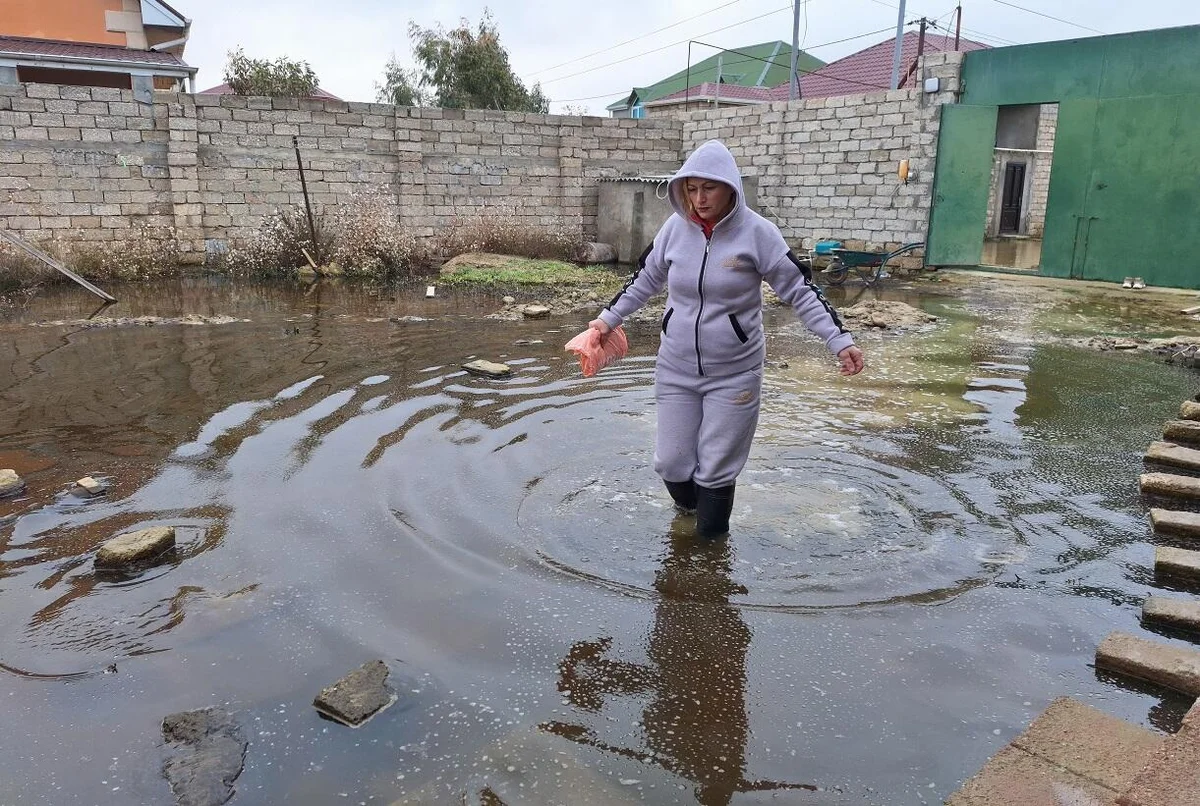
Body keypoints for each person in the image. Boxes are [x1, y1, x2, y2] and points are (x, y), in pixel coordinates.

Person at [588, 139, 864, 539]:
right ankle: (690, 520)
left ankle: (709, 555)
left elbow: (800, 290)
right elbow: (644, 278)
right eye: (691, 189)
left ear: (730, 186)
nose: (699, 199)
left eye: (709, 188)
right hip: (676, 367)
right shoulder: (674, 229)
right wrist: (605, 321)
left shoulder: (759, 234)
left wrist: (839, 340)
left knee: (716, 468)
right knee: (671, 463)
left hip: (735, 373)